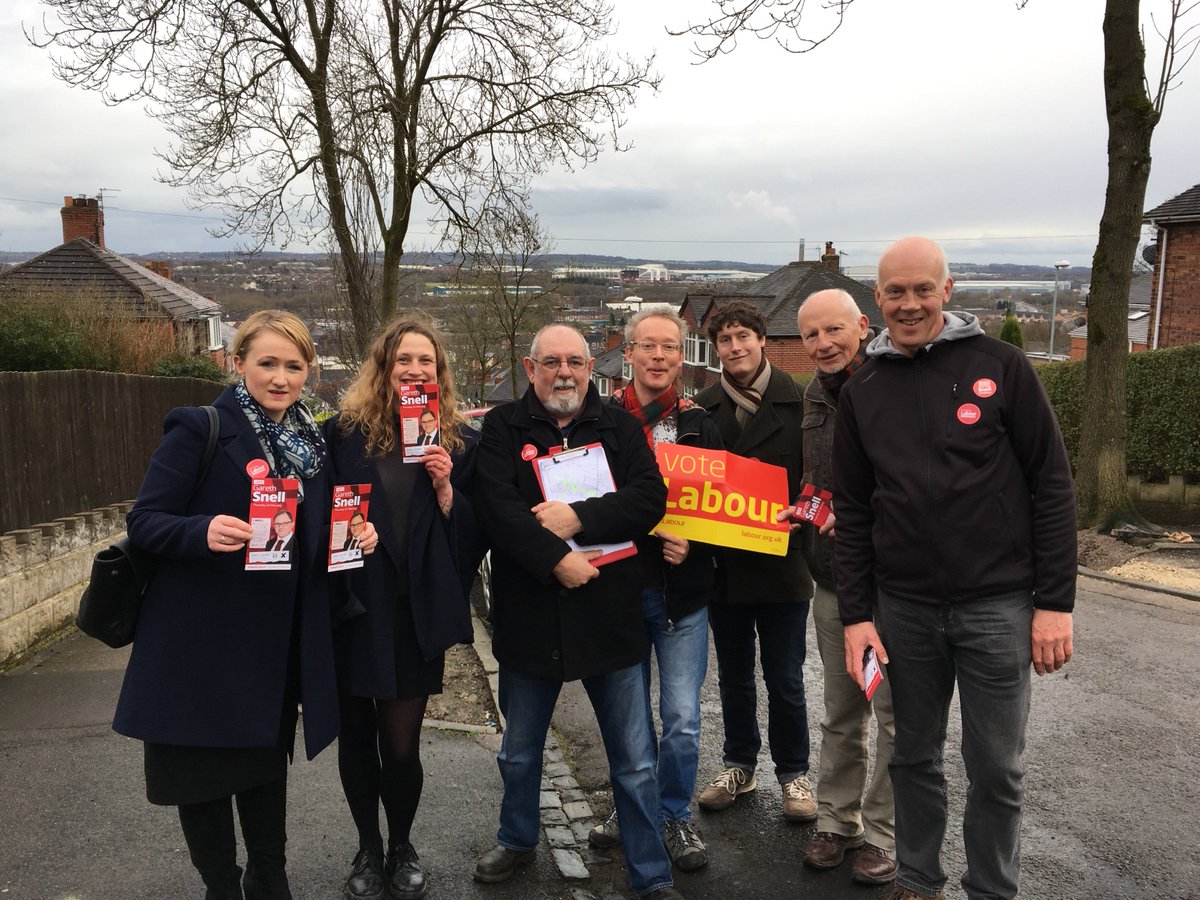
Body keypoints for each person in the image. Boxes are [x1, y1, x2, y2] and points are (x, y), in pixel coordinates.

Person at [834, 237, 1077, 900]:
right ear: (877, 298)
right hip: (903, 609)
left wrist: (1055, 603)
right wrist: (856, 615)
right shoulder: (863, 389)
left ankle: (991, 888)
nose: (909, 304)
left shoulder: (1003, 366)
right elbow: (852, 510)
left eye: (923, 289)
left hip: (998, 606)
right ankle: (918, 877)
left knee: (996, 768)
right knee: (912, 756)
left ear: (947, 290)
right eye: (895, 291)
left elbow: (1051, 484)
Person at [113, 309, 378, 900]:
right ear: (239, 364)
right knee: (202, 777)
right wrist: (201, 531)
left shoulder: (313, 443)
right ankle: (221, 887)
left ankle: (269, 876)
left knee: (263, 770)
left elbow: (313, 533)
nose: (281, 378)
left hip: (274, 646)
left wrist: (355, 536)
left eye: (294, 366)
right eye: (267, 363)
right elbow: (146, 521)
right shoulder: (200, 428)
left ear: (309, 371)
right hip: (202, 643)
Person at [471, 324, 682, 900]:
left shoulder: (619, 427)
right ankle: (517, 839)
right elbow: (496, 508)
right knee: (519, 753)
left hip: (609, 616)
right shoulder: (502, 427)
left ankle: (651, 873)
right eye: (551, 362)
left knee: (635, 761)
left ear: (591, 366)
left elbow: (649, 498)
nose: (564, 373)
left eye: (574, 362)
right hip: (531, 615)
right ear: (530, 367)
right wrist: (555, 560)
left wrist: (579, 517)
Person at [324, 316, 484, 900]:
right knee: (356, 738)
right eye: (403, 361)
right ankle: (367, 846)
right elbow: (320, 514)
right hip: (355, 609)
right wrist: (348, 536)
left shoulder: (460, 442)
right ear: (384, 368)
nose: (415, 371)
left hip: (415, 614)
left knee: (401, 744)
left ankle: (401, 844)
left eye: (426, 362)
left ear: (440, 373)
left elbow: (474, 538)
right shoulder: (342, 434)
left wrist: (446, 491)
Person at [587, 305, 723, 872]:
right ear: (629, 353)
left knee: (682, 720)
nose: (660, 356)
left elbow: (721, 512)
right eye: (649, 346)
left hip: (680, 597)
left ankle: (672, 814)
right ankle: (632, 807)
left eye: (671, 346)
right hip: (617, 592)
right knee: (630, 721)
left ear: (682, 356)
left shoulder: (701, 425)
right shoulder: (598, 423)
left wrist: (694, 542)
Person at [783, 289, 897, 885]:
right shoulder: (813, 393)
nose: (823, 343)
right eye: (811, 334)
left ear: (863, 325)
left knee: (896, 719)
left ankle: (883, 835)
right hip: (832, 581)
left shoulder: (895, 382)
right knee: (842, 712)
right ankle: (836, 821)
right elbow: (815, 478)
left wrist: (857, 515)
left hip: (894, 589)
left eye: (834, 330)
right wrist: (800, 509)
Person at [693, 300, 816, 821]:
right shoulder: (700, 410)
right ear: (716, 349)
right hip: (725, 569)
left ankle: (794, 774)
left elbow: (821, 479)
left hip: (784, 564)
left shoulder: (803, 402)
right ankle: (739, 766)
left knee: (785, 678)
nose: (735, 347)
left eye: (743, 336)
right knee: (735, 676)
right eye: (725, 340)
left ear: (762, 340)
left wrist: (803, 512)